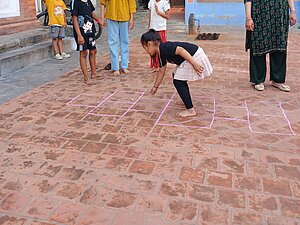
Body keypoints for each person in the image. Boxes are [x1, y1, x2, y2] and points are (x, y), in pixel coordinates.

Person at [141, 30, 213, 118]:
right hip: (190, 58)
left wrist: (194, 64)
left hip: (194, 56)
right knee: (176, 75)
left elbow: (180, 50)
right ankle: (186, 99)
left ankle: (190, 110)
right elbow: (161, 71)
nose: (146, 51)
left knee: (178, 81)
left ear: (149, 44)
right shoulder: (160, 53)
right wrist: (155, 86)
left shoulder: (164, 47)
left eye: (145, 48)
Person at [244, 0, 297, 92]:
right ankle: (258, 80)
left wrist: (292, 10)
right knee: (258, 44)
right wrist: (248, 17)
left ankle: (278, 79)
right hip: (259, 13)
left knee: (279, 44)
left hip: (279, 13)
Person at [100, 0, 136, 76]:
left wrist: (132, 18)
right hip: (111, 16)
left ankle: (125, 66)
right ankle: (115, 67)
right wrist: (102, 17)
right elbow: (102, 2)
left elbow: (131, 3)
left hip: (125, 16)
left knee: (125, 42)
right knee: (113, 42)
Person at [71, 0, 100, 85]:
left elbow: (91, 13)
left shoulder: (87, 1)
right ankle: (86, 77)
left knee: (93, 51)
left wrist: (98, 21)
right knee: (83, 53)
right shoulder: (75, 2)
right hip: (81, 32)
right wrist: (79, 35)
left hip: (90, 31)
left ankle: (94, 73)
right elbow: (74, 19)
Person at [148, 0, 170, 73]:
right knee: (152, 48)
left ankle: (161, 65)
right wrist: (149, 26)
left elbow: (167, 16)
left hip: (161, 28)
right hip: (152, 28)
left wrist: (158, 12)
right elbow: (150, 15)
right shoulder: (151, 2)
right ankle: (155, 65)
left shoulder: (164, 3)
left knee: (160, 48)